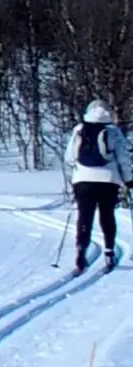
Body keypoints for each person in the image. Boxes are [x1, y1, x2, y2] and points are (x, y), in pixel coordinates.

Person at [65, 100, 131, 274]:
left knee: (84, 217)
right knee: (107, 215)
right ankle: (109, 252)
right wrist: (128, 179)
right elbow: (123, 158)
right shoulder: (113, 132)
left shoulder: (79, 130)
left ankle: (81, 252)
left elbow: (69, 157)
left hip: (83, 181)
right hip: (108, 181)